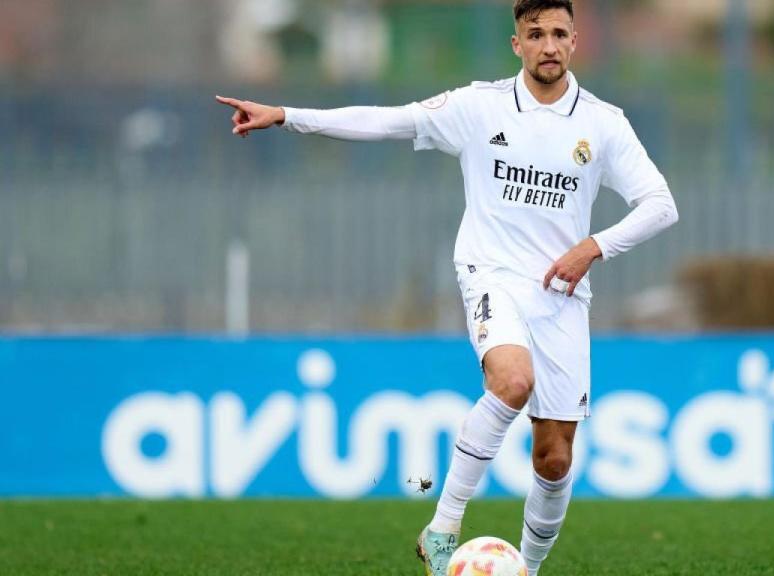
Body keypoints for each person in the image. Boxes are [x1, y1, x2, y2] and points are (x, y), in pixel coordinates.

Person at [216, 0, 677, 573]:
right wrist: (288, 114)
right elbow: (388, 121)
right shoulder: (478, 107)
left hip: (561, 295)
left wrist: (593, 246)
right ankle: (444, 524)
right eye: (536, 34)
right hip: (492, 274)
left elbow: (660, 204)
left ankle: (525, 570)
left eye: (559, 33)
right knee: (512, 380)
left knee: (554, 460)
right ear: (518, 44)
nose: (549, 45)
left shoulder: (603, 123)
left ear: (576, 41)